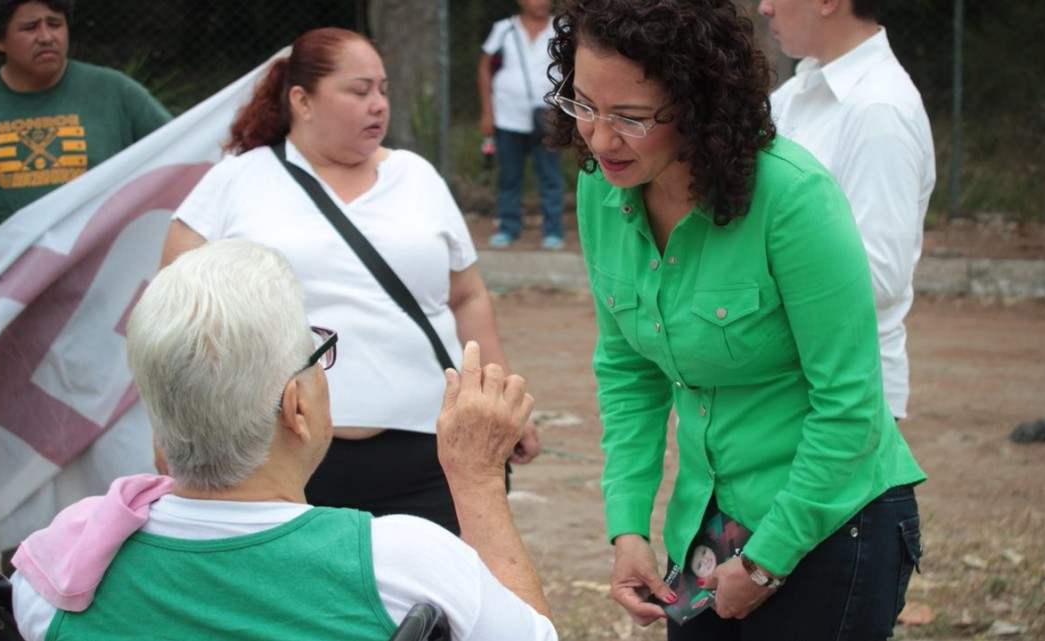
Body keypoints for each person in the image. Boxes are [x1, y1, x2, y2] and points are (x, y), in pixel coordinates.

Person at [544, 1, 927, 638]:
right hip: (709, 524)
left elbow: (850, 404)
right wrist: (629, 526)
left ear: (698, 104)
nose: (600, 138)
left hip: (829, 521)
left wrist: (768, 561)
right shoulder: (601, 189)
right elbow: (628, 371)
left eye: (631, 118)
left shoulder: (794, 199)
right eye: (583, 104)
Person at [7, 239, 558, 640]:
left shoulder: (59, 574)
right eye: (318, 353)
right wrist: (480, 478)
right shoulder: (400, 565)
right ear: (295, 406)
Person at [160, 27, 539, 536]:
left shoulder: (418, 176)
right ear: (302, 100)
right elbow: (173, 321)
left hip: (436, 456)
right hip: (281, 460)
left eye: (383, 89)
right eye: (359, 91)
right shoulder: (235, 182)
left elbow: (467, 296)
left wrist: (501, 401)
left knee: (441, 610)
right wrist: (169, 433)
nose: (378, 105)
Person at [761, 0, 937, 421]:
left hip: (842, 400)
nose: (764, 8)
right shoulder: (798, 93)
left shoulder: (880, 110)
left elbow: (878, 276)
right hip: (795, 390)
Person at [0, 0, 171, 272]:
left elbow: (184, 153)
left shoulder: (115, 93)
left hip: (94, 286)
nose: (46, 37)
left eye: (55, 24)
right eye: (29, 27)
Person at [477, 0, 566, 250]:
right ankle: (508, 227)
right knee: (509, 175)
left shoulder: (563, 29)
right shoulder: (504, 29)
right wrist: (487, 112)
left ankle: (553, 230)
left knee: (550, 174)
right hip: (508, 116)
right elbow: (485, 67)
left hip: (550, 118)